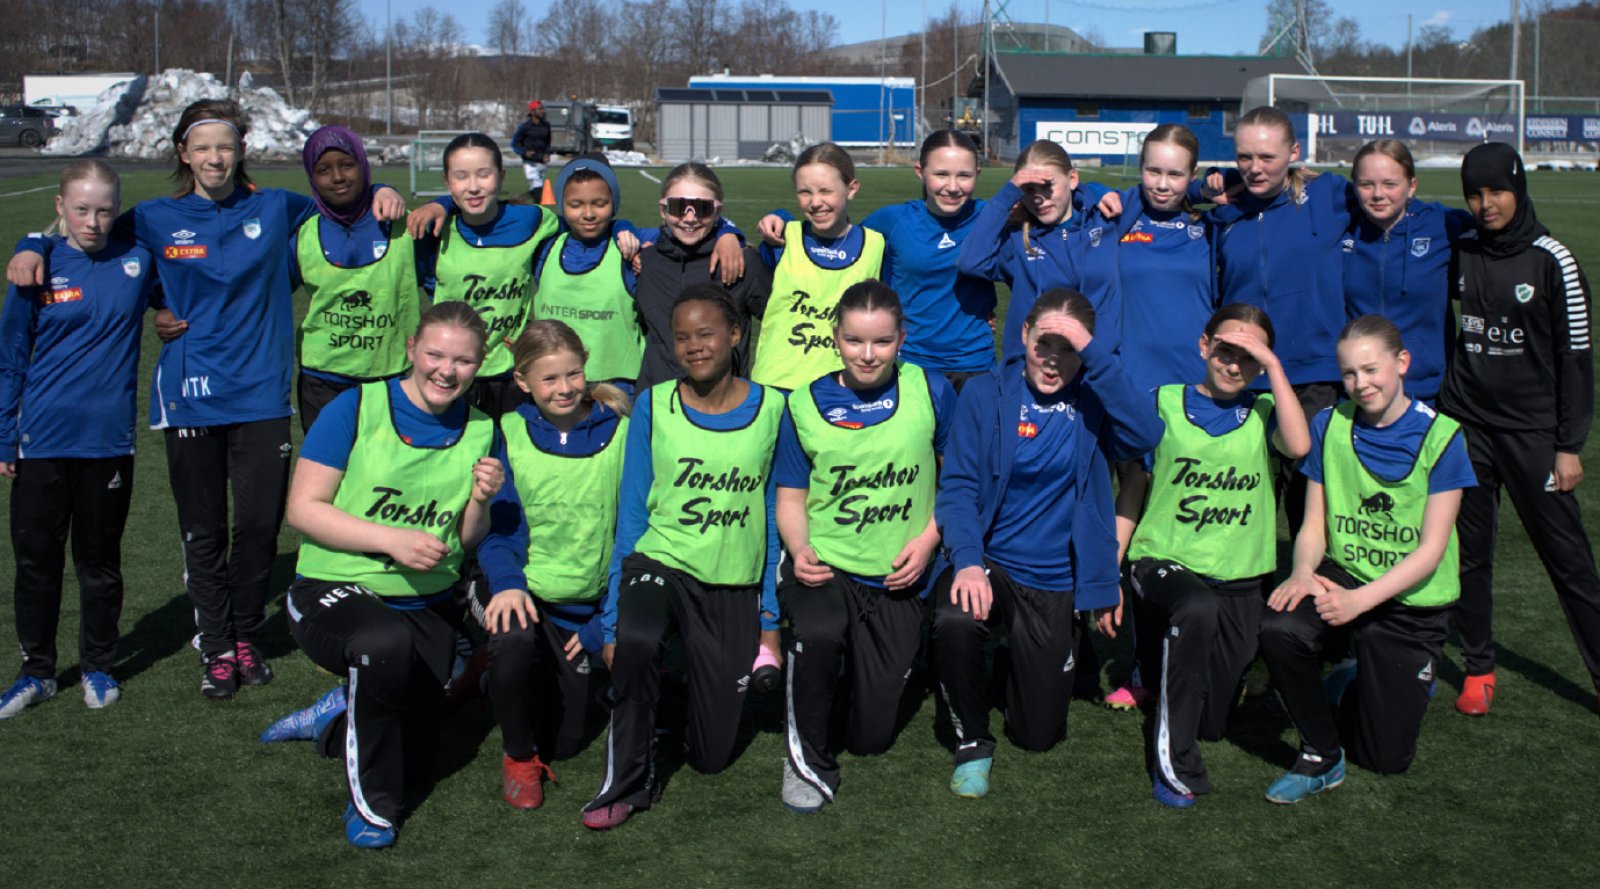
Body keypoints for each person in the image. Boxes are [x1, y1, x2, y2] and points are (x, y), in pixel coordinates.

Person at [4, 99, 406, 700]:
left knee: (260, 526)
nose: (215, 158)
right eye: (203, 148)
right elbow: (89, 234)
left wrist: (386, 191)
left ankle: (245, 635)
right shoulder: (153, 218)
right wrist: (33, 241)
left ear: (240, 152)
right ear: (184, 154)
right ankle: (216, 645)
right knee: (203, 530)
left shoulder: (278, 207)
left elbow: (341, 204)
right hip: (189, 396)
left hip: (262, 394)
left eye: (225, 147)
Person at [274, 301, 504, 847]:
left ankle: (338, 714)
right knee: (382, 644)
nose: (446, 371)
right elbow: (302, 509)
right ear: (411, 349)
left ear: (480, 364)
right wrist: (390, 539)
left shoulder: (482, 429)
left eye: (463, 361)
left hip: (425, 602)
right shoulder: (356, 407)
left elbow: (468, 537)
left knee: (417, 761)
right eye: (435, 355)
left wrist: (481, 500)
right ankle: (373, 811)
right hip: (334, 588)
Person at [931, 289, 1161, 799]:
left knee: (1037, 735)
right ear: (1023, 335)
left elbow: (1146, 435)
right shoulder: (984, 392)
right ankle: (972, 740)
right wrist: (966, 561)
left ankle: (1022, 658)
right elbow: (959, 487)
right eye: (1043, 344)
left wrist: (1095, 356)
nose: (1053, 361)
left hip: (1055, 577)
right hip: (992, 562)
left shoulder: (1095, 399)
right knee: (955, 618)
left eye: (1069, 349)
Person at [583, 285, 784, 830]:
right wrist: (613, 623)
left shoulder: (774, 409)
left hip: (732, 580)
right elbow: (632, 515)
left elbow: (772, 520)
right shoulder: (654, 405)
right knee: (638, 639)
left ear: (735, 334)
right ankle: (627, 782)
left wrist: (768, 621)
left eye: (706, 333)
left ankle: (663, 694)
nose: (694, 346)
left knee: (710, 757)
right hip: (661, 561)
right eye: (682, 337)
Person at [1259, 315, 1474, 803]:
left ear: (1402, 363)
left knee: (1384, 759)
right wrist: (1302, 572)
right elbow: (1313, 524)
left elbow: (1431, 551)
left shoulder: (1443, 436)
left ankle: (1351, 677)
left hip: (1411, 601)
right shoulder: (1329, 423)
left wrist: (1360, 602)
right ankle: (1320, 755)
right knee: (1279, 625)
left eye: (1371, 369)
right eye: (1349, 373)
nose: (1361, 383)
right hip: (1345, 576)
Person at [775, 281, 955, 812]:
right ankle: (805, 762)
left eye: (882, 341)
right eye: (854, 340)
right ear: (836, 338)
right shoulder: (804, 403)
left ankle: (846, 680)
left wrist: (928, 540)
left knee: (869, 738)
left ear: (902, 338)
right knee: (818, 632)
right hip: (829, 567)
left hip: (900, 577)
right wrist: (799, 548)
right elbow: (791, 495)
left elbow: (958, 481)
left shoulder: (931, 389)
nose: (868, 354)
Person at [1120, 304, 1311, 807]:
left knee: (1214, 723)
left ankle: (1166, 679)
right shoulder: (1161, 401)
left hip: (1239, 578)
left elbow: (1297, 446)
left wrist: (1274, 368)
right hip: (1164, 562)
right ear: (1204, 346)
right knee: (1194, 607)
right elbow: (1132, 491)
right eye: (1226, 350)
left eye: (1249, 356)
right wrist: (1108, 572)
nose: (1234, 364)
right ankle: (1174, 767)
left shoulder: (1267, 410)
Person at [1438, 141, 1599, 716]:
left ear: (1518, 188)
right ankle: (1478, 668)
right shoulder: (1461, 250)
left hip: (1534, 435)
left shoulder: (1553, 259)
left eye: (1497, 191)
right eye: (1475, 194)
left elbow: (1576, 358)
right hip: (1468, 427)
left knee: (1568, 559)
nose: (1487, 204)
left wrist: (1568, 445)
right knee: (1470, 556)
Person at [0, 160, 157, 719]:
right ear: (60, 207)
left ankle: (98, 664)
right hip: (40, 440)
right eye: (82, 209)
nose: (93, 221)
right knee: (36, 564)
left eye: (105, 210)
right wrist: (4, 436)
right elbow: (10, 357)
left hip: (107, 442)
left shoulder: (139, 260)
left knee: (100, 563)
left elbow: (184, 288)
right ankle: (36, 672)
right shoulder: (36, 268)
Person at [472, 320, 631, 810]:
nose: (564, 388)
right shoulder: (508, 431)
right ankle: (518, 758)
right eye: (549, 378)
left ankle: (492, 675)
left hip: (586, 606)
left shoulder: (623, 431)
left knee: (565, 741)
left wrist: (604, 622)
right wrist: (507, 584)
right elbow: (500, 529)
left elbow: (633, 535)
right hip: (526, 594)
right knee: (512, 635)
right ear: (521, 381)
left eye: (573, 374)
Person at [1096, 123, 1220, 712]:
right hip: (1130, 395)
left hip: (1197, 398)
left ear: (1192, 176)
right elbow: (1078, 194)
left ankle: (1214, 657)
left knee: (1192, 528)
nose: (1162, 183)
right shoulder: (1121, 216)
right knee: (1136, 527)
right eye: (1153, 170)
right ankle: (1143, 665)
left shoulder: (1211, 226)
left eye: (1175, 173)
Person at [761, 130, 997, 390]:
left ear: (977, 174)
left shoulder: (992, 218)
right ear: (920, 172)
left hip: (975, 362)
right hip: (911, 360)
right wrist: (781, 219)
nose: (952, 186)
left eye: (963, 175)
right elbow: (839, 234)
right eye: (941, 174)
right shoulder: (892, 221)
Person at [294, 124, 422, 431]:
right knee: (327, 462)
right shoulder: (303, 231)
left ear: (363, 165)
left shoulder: (404, 225)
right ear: (311, 177)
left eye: (347, 165)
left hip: (391, 377)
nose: (338, 177)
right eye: (323, 170)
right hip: (322, 380)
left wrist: (383, 188)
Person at [958, 139, 1121, 364]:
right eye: (1028, 190)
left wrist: (1091, 190)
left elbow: (1160, 192)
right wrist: (1006, 197)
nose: (1039, 198)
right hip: (1036, 367)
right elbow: (970, 262)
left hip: (1097, 364)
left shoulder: (1105, 220)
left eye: (1047, 186)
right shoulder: (1018, 239)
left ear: (1072, 179)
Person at [1342, 139, 1474, 404]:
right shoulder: (1341, 228)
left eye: (1390, 184)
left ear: (1412, 186)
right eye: (1366, 184)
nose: (1378, 194)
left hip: (1428, 392)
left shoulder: (1442, 224)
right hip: (1358, 391)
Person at [749, 143, 886, 393]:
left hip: (839, 388)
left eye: (826, 191)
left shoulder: (876, 245)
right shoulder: (781, 238)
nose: (815, 202)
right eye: (804, 192)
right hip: (776, 384)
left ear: (851, 189)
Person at [635, 162, 767, 390]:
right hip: (657, 402)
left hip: (724, 403)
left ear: (717, 212)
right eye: (678, 206)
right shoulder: (644, 262)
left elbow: (781, 323)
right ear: (662, 210)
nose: (689, 218)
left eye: (702, 208)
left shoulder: (742, 262)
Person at [512, 101, 552, 198]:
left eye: (542, 109)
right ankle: (536, 206)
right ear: (532, 112)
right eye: (540, 109)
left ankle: (520, 198)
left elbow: (548, 142)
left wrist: (547, 154)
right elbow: (514, 144)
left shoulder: (546, 126)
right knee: (536, 185)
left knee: (537, 189)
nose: (542, 111)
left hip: (542, 162)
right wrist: (524, 152)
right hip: (530, 162)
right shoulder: (524, 127)